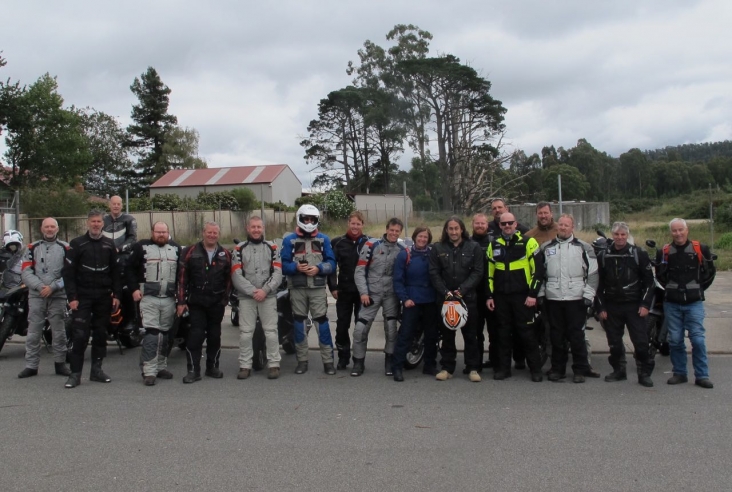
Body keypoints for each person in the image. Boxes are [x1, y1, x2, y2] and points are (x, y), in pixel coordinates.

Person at [62, 210, 122, 389]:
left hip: (103, 296)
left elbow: (116, 272)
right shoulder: (77, 244)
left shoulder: (109, 244)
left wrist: (117, 295)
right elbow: (68, 273)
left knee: (100, 334)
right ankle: (75, 374)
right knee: (79, 335)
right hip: (83, 297)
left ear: (103, 224)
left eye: (99, 222)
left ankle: (96, 370)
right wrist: (72, 297)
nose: (96, 224)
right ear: (87, 223)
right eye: (93, 221)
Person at [656, 218, 716, 389]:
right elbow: (660, 275)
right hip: (672, 303)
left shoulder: (700, 249)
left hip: (694, 303)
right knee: (675, 341)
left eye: (681, 230)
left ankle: (702, 376)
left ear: (687, 230)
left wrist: (696, 289)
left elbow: (710, 273)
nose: (678, 233)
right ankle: (680, 373)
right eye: (674, 230)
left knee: (697, 340)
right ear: (671, 232)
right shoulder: (664, 252)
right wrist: (674, 290)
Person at [539, 213, 599, 383]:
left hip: (576, 299)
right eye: (561, 225)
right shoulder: (546, 248)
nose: (563, 228)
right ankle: (558, 369)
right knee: (556, 336)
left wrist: (588, 295)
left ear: (573, 227)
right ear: (557, 226)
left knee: (576, 336)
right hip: (553, 299)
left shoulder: (584, 247)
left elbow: (593, 273)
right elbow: (539, 273)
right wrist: (541, 294)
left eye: (567, 225)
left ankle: (580, 370)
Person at [595, 222, 655, 387]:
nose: (620, 237)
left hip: (634, 306)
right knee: (614, 343)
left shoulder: (639, 253)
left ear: (627, 235)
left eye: (623, 235)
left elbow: (649, 282)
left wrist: (645, 304)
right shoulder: (603, 255)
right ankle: (619, 371)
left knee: (641, 343)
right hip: (612, 306)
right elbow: (598, 284)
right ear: (612, 235)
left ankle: (644, 373)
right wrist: (601, 307)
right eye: (616, 234)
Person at [486, 212, 544, 382]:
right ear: (499, 225)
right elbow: (489, 273)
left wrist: (532, 294)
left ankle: (535, 370)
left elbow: (538, 271)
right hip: (501, 297)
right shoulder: (494, 244)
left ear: (516, 224)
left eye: (510, 223)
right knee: (503, 334)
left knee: (527, 334)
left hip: (523, 297)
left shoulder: (528, 242)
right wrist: (489, 296)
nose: (507, 226)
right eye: (503, 224)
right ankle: (504, 369)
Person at [280, 205, 337, 375]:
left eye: (312, 219)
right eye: (306, 219)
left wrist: (319, 268)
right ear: (300, 218)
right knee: (299, 324)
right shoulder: (289, 240)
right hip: (297, 288)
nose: (310, 222)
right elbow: (283, 265)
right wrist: (296, 267)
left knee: (322, 323)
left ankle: (328, 362)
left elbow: (332, 263)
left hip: (317, 288)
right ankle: (302, 361)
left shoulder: (324, 239)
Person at [126, 221, 182, 386]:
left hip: (169, 298)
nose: (161, 235)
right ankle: (149, 371)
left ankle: (160, 366)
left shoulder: (176, 248)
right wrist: (134, 289)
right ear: (152, 232)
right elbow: (129, 268)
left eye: (164, 232)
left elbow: (182, 274)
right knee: (152, 334)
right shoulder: (141, 247)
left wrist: (181, 298)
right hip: (148, 298)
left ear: (168, 232)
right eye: (158, 232)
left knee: (165, 335)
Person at [429, 216, 483, 382]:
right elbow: (434, 273)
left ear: (462, 230)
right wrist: (446, 292)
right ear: (446, 230)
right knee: (447, 337)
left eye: (456, 228)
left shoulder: (474, 247)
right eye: (450, 229)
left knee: (471, 335)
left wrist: (462, 291)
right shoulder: (437, 248)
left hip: (468, 299)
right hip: (445, 300)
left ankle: (473, 368)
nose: (453, 232)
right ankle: (447, 368)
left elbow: (478, 272)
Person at [177, 222, 232, 383]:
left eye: (215, 233)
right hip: (196, 302)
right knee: (196, 336)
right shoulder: (190, 251)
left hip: (216, 303)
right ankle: (193, 370)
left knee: (215, 336)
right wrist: (181, 301)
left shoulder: (225, 254)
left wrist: (225, 299)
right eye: (209, 232)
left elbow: (229, 279)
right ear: (203, 233)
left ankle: (212, 367)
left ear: (218, 235)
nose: (212, 235)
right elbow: (182, 278)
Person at [350, 218, 405, 377]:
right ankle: (358, 362)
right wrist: (363, 293)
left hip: (391, 295)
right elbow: (359, 271)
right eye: (391, 230)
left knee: (391, 329)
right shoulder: (371, 245)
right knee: (360, 329)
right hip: (371, 294)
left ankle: (390, 361)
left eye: (397, 231)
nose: (394, 233)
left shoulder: (402, 250)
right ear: (386, 229)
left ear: (400, 232)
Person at [17, 218, 70, 379]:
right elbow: (26, 272)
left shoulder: (66, 248)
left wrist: (53, 287)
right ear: (42, 229)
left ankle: (60, 363)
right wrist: (41, 287)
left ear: (57, 229)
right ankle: (31, 366)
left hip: (58, 295)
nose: (49, 229)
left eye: (52, 226)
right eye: (47, 226)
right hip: (36, 295)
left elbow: (70, 273)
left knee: (59, 332)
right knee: (34, 331)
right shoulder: (31, 247)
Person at [231, 216, 283, 380]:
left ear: (263, 228)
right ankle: (245, 365)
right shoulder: (238, 249)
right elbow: (236, 275)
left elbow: (278, 273)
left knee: (271, 332)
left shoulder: (273, 247)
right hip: (247, 298)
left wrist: (265, 290)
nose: (256, 230)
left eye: (259, 227)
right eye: (253, 227)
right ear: (248, 228)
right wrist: (254, 291)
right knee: (246, 333)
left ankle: (274, 364)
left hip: (268, 297)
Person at [392, 226, 439, 381]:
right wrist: (405, 298)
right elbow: (398, 280)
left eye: (425, 237)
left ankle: (429, 365)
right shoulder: (404, 255)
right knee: (406, 334)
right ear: (414, 237)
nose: (422, 239)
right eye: (420, 236)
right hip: (411, 300)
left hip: (430, 300)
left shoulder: (433, 254)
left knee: (431, 334)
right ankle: (397, 367)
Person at [328, 211, 369, 370]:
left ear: (362, 225)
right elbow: (331, 267)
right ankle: (343, 356)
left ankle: (359, 359)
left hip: (362, 292)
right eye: (353, 223)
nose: (355, 227)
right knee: (342, 326)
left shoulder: (369, 243)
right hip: (344, 291)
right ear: (348, 223)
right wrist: (333, 287)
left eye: (358, 224)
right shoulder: (338, 242)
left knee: (361, 328)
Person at [103, 195, 138, 333]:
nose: (116, 206)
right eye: (114, 203)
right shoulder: (103, 220)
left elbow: (133, 239)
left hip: (124, 260)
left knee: (126, 291)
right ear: (109, 205)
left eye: (118, 204)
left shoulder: (129, 219)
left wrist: (119, 249)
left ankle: (131, 320)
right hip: (105, 261)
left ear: (122, 205)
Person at [470, 213, 496, 372]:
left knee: (495, 331)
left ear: (487, 225)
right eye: (477, 223)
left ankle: (495, 361)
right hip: (474, 294)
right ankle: (476, 363)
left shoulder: (494, 243)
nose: (480, 226)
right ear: (472, 225)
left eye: (483, 223)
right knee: (475, 331)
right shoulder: (467, 243)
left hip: (492, 294)